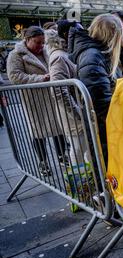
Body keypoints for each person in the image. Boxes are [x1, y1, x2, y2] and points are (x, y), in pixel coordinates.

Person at [7, 26, 67, 176]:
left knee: (58, 127)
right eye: (37, 42)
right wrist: (41, 78)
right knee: (38, 131)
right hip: (34, 100)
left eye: (43, 42)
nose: (41, 46)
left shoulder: (45, 51)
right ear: (27, 40)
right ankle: (43, 162)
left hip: (51, 97)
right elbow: (15, 76)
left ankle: (62, 156)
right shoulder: (16, 55)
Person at [69, 14, 123, 162]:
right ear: (113, 35)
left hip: (106, 126)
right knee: (106, 167)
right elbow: (100, 102)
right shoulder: (92, 56)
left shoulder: (98, 53)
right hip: (104, 128)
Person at [45, 27, 86, 167]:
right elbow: (58, 89)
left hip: (75, 113)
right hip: (73, 117)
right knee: (78, 149)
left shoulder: (64, 54)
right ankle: (79, 183)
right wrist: (76, 112)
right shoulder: (59, 57)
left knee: (82, 149)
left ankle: (85, 182)